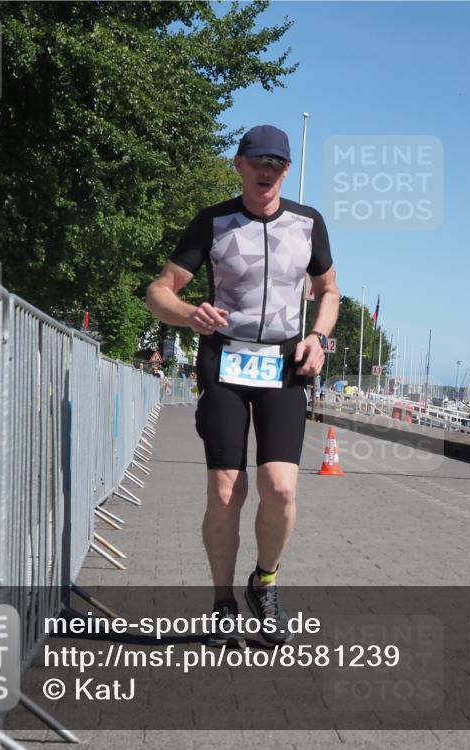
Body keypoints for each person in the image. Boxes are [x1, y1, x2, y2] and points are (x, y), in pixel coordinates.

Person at [146, 124, 339, 647]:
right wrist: (189, 314)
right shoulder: (214, 222)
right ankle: (222, 603)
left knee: (280, 486)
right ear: (240, 164)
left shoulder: (308, 223)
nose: (266, 170)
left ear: (287, 170)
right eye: (257, 161)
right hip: (225, 361)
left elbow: (329, 291)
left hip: (285, 364)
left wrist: (319, 338)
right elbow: (158, 292)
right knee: (227, 490)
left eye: (276, 163)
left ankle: (265, 582)